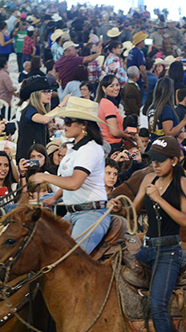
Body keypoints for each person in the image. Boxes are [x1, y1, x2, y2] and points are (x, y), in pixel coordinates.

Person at [107, 136, 186, 332]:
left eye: (159, 160)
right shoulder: (148, 179)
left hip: (169, 250)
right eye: (152, 160)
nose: (154, 165)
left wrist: (160, 199)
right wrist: (117, 206)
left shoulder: (182, 181)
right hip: (147, 249)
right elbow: (132, 211)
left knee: (157, 303)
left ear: (174, 161)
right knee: (112, 267)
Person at [29, 97, 111, 254]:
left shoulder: (89, 149)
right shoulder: (75, 147)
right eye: (64, 120)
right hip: (74, 213)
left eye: (68, 121)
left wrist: (44, 177)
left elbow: (74, 183)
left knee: (71, 261)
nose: (64, 125)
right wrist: (54, 197)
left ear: (83, 125)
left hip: (90, 214)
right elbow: (70, 181)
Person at [15, 75, 53, 160]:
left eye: (50, 91)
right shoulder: (29, 110)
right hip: (27, 158)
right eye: (45, 91)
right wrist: (61, 106)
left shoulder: (39, 111)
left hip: (38, 156)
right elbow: (44, 120)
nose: (49, 94)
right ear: (36, 94)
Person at [96, 74, 134, 153]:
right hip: (112, 146)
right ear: (104, 89)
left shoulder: (104, 102)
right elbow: (114, 132)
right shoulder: (108, 104)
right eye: (111, 86)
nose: (116, 88)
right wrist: (126, 136)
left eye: (117, 85)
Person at [149, 77, 186, 141]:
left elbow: (151, 130)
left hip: (153, 144)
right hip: (165, 146)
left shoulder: (152, 107)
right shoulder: (166, 109)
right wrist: (185, 120)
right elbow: (168, 133)